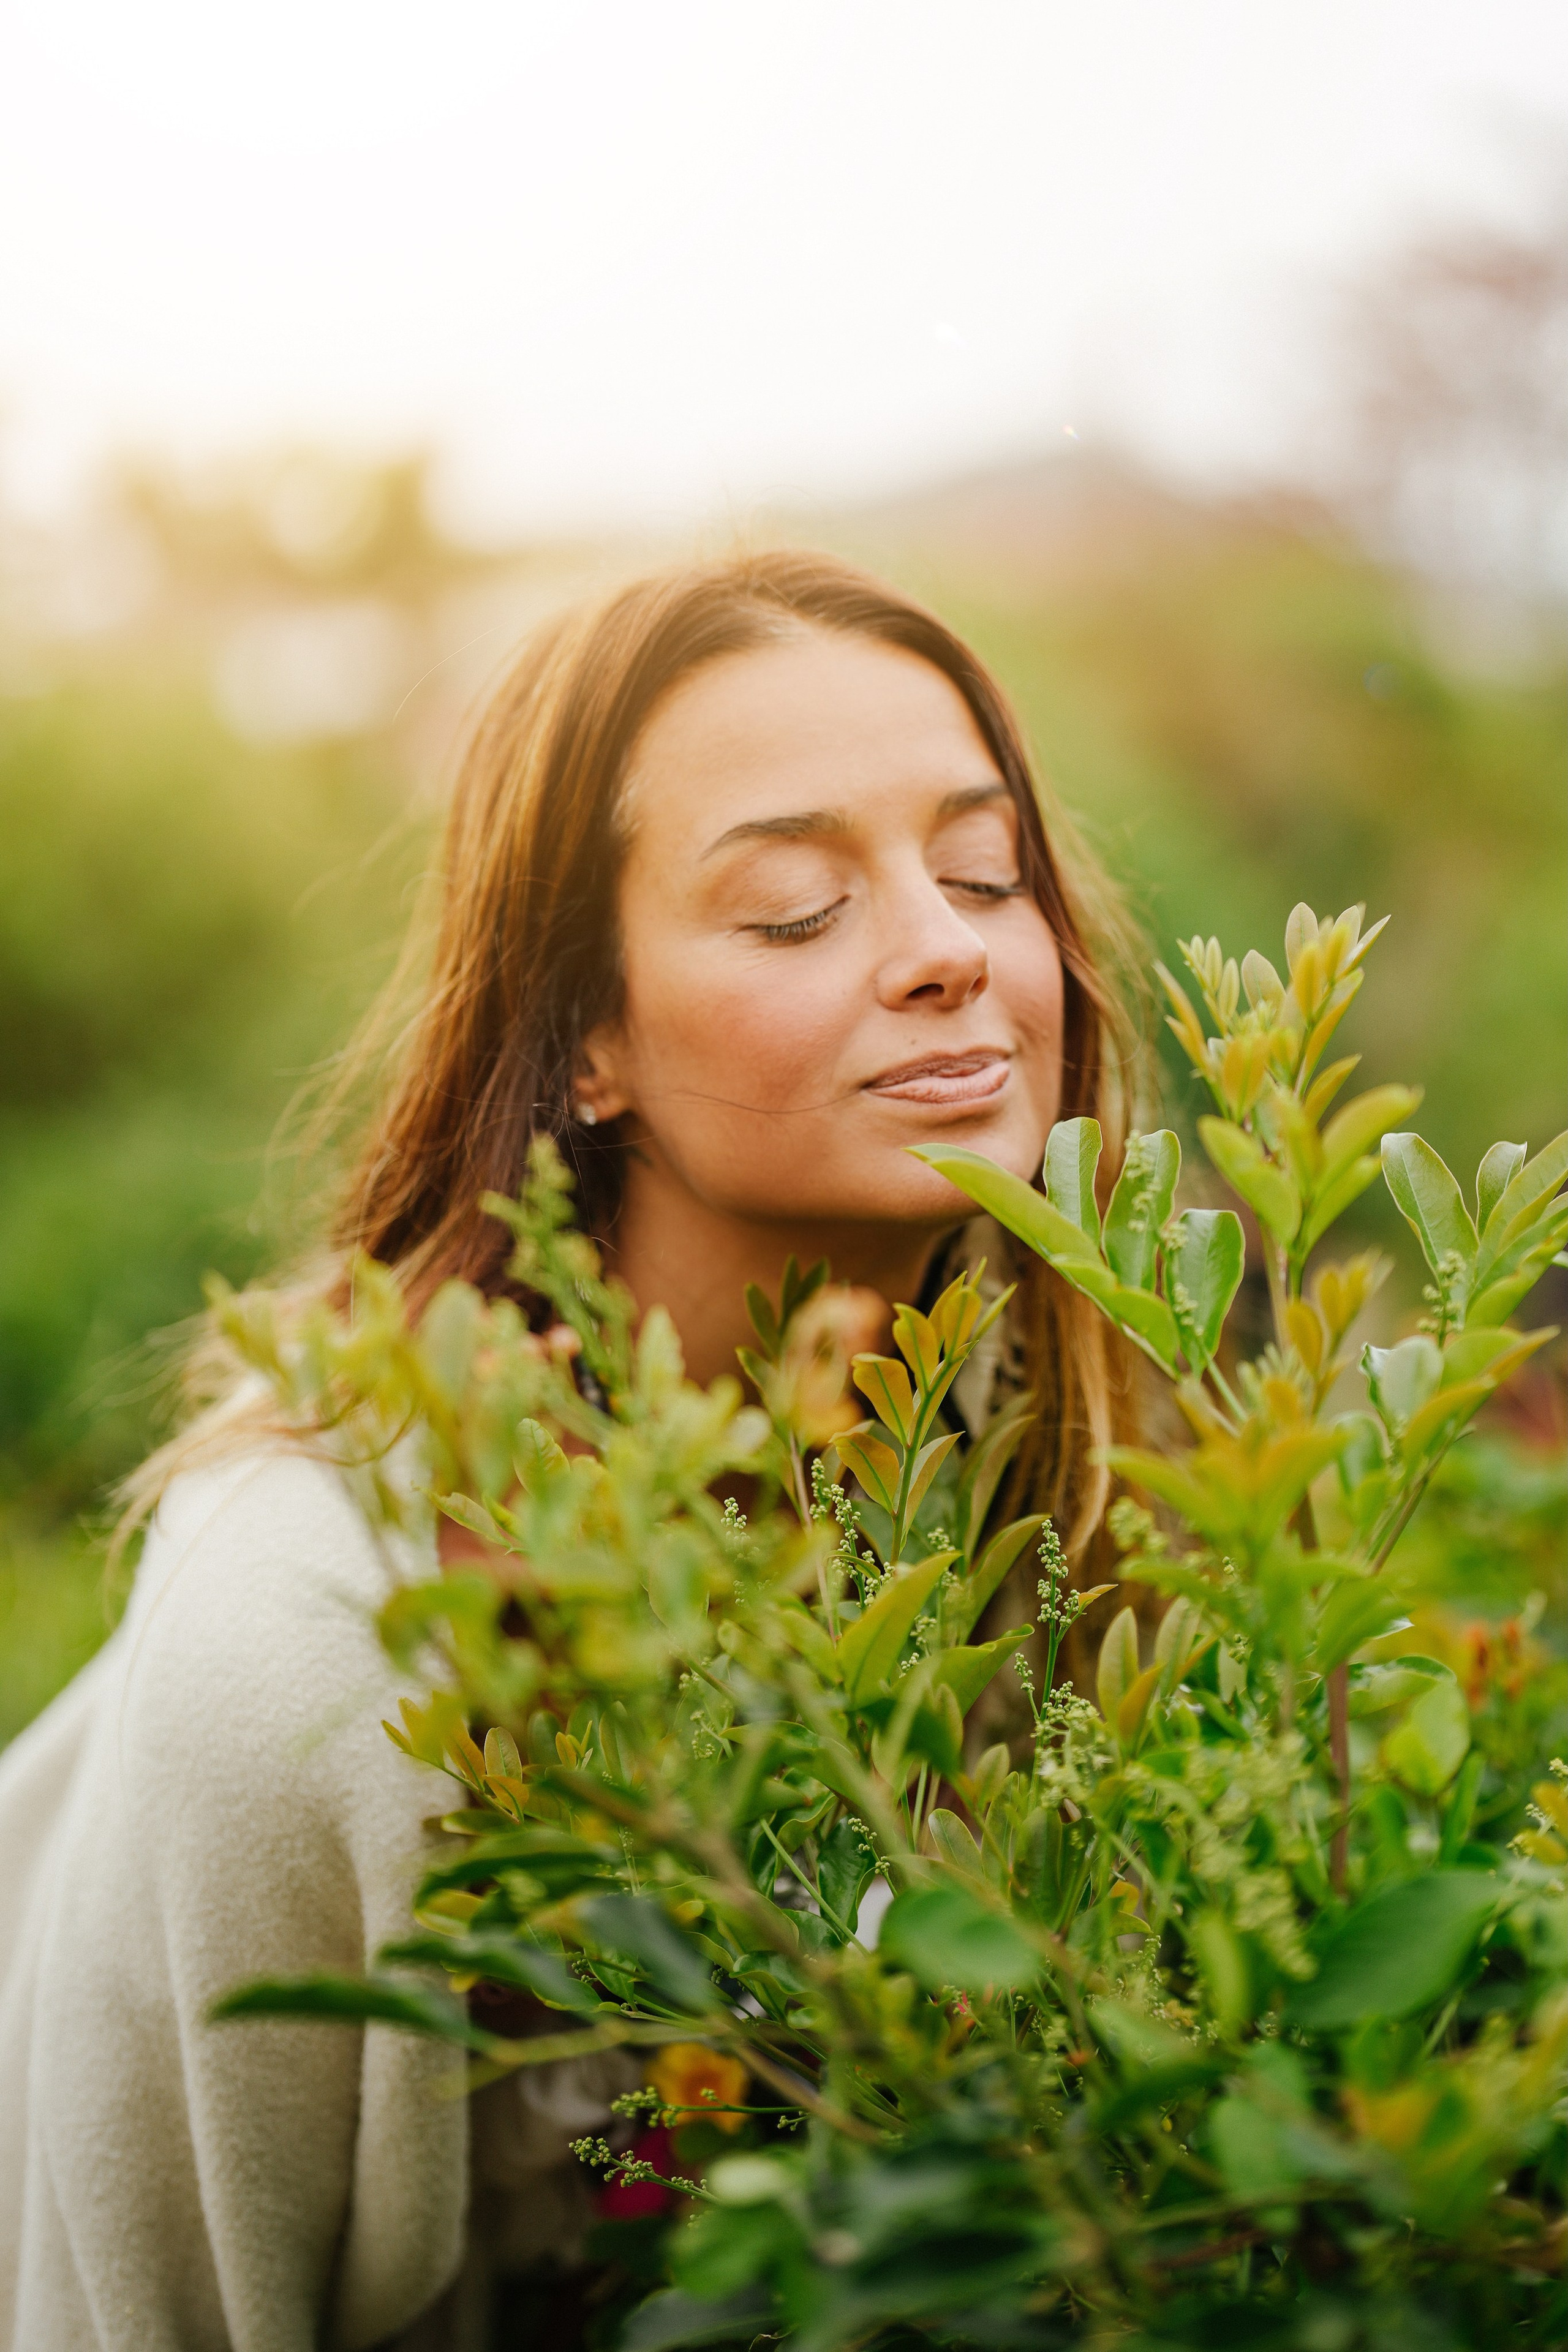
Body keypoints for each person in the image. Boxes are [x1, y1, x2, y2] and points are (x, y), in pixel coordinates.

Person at [0, 551, 1140, 2350]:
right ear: (588, 1034)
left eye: (984, 871)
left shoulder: (1067, 1483)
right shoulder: (308, 1652)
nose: (948, 951)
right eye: (790, 908)